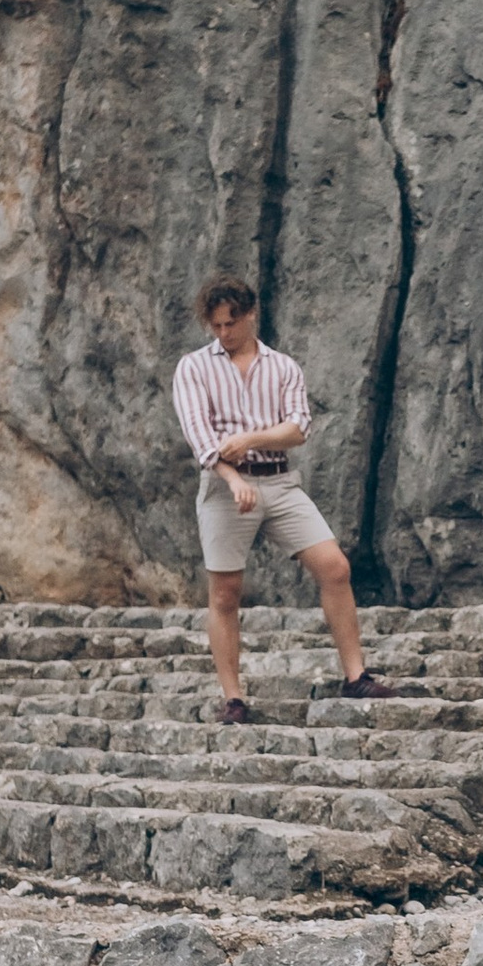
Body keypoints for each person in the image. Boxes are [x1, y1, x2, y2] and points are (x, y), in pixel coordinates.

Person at [170, 278, 394, 720]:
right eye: (216, 326)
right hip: (223, 486)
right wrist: (232, 477)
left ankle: (356, 676)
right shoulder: (193, 367)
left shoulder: (283, 367)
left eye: (231, 323)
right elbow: (200, 436)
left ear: (251, 315)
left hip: (279, 480)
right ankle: (233, 699)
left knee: (335, 566)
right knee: (225, 592)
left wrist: (250, 439)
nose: (223, 333)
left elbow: (298, 428)